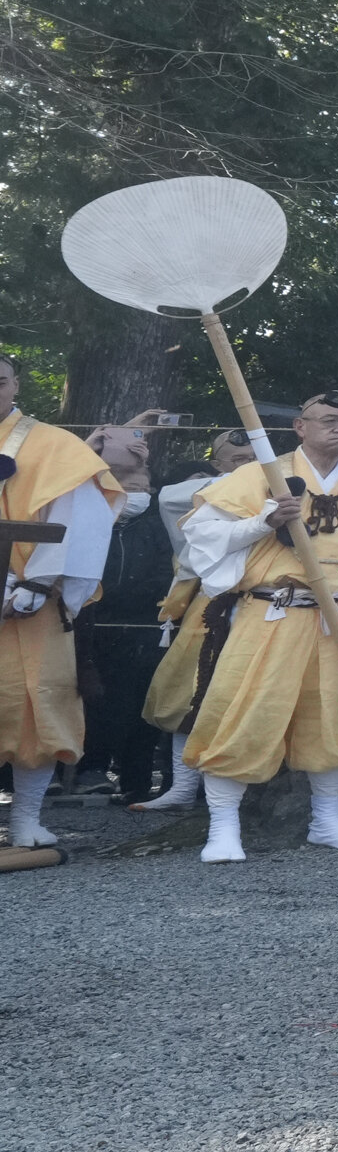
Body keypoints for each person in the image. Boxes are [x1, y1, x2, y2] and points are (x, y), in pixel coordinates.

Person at [175, 389, 338, 862]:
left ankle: (326, 821)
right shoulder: (257, 475)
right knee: (244, 712)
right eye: (330, 419)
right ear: (300, 427)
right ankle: (223, 829)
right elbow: (200, 535)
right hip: (273, 611)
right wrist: (264, 521)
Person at [0, 359, 119, 854]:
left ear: (15, 385)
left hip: (28, 603)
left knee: (36, 707)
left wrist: (38, 582)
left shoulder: (54, 446)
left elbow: (82, 518)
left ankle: (25, 817)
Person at [76, 425, 177, 806]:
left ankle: (136, 779)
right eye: (127, 485)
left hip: (144, 627)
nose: (139, 492)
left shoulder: (158, 523)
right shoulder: (88, 517)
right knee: (92, 699)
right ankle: (89, 769)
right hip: (89, 622)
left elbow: (167, 571)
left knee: (142, 702)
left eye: (144, 484)